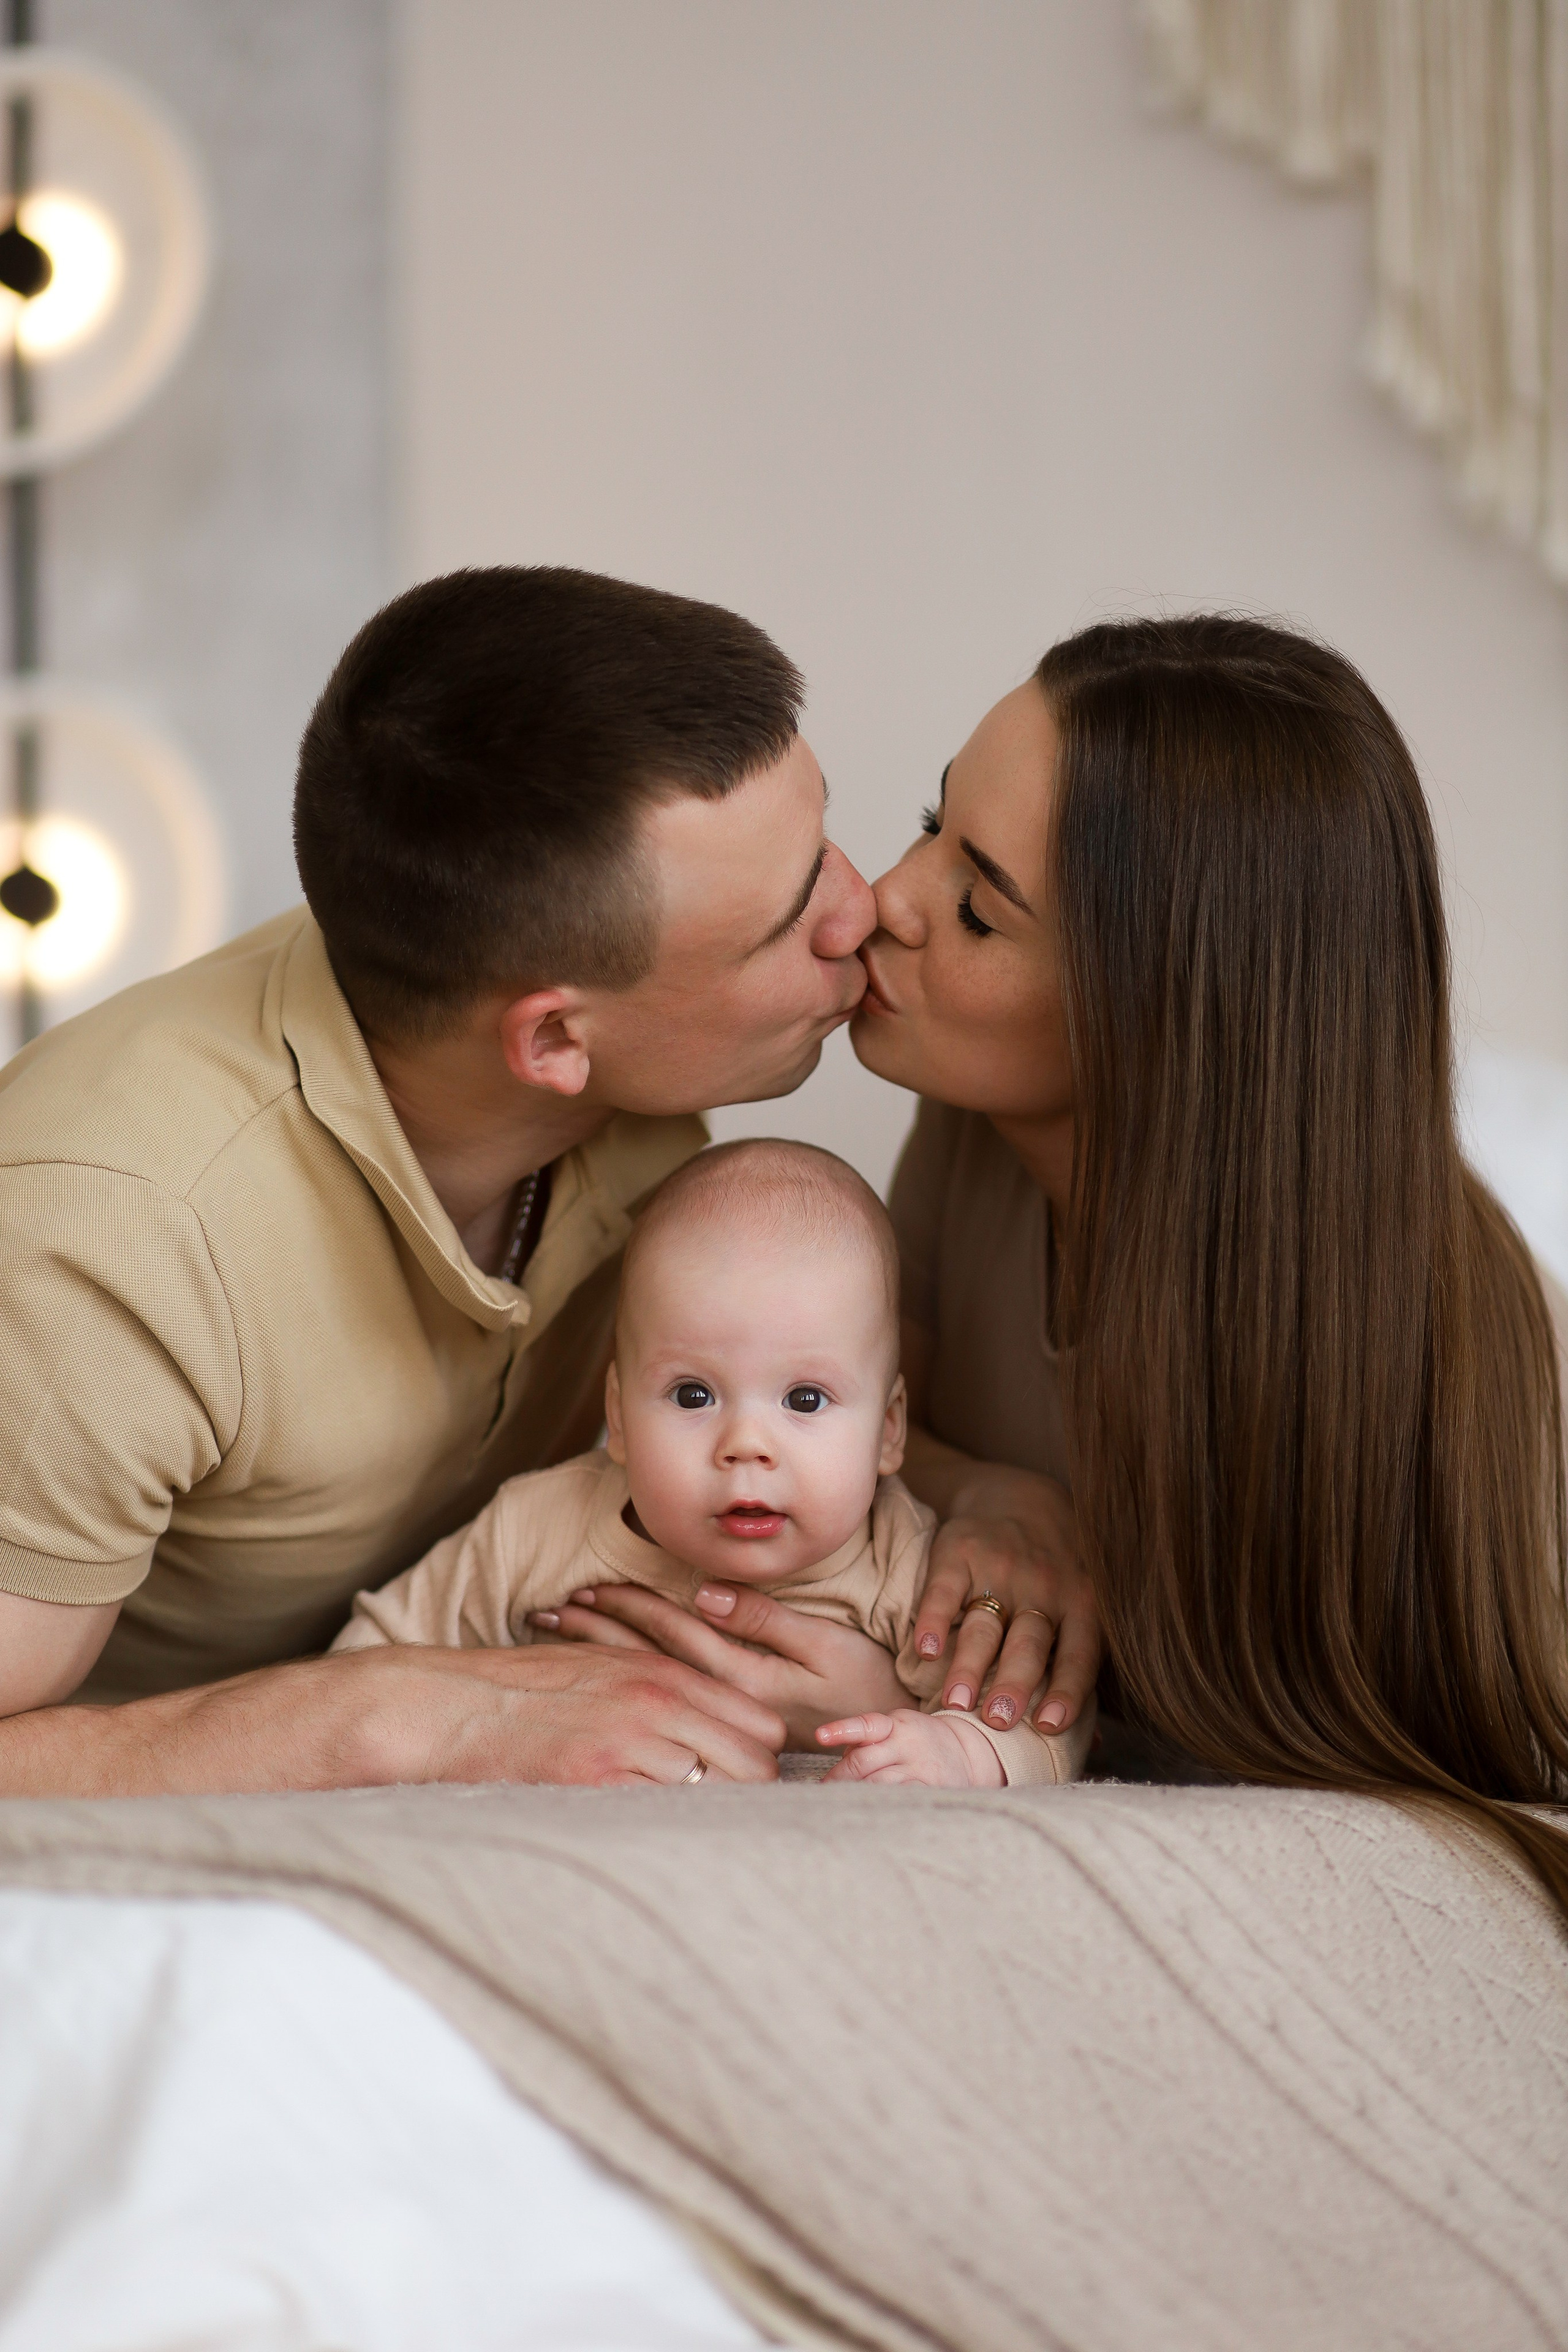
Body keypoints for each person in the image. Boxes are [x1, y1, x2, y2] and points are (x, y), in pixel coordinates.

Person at [553, 614, 1568, 1915]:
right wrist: (999, 1494)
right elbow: (876, 1426)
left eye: (974, 907)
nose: (881, 901)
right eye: (930, 823)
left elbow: (1299, 1768)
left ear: (1152, 1012)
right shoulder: (969, 1138)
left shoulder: (1448, 1385)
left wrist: (911, 1704)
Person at [0, 567, 907, 1795]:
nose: (865, 910)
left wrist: (999, 1512)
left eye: (823, 844)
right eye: (785, 916)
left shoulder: (640, 1108)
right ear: (549, 1044)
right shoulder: (109, 1244)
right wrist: (401, 1717)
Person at [333, 1137, 1090, 1787]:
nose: (746, 1445)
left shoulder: (910, 1570)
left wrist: (961, 1750)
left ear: (889, 1430)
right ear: (619, 1417)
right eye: (693, 1394)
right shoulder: (535, 1528)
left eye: (804, 1400)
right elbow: (369, 1666)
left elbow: (1040, 1716)